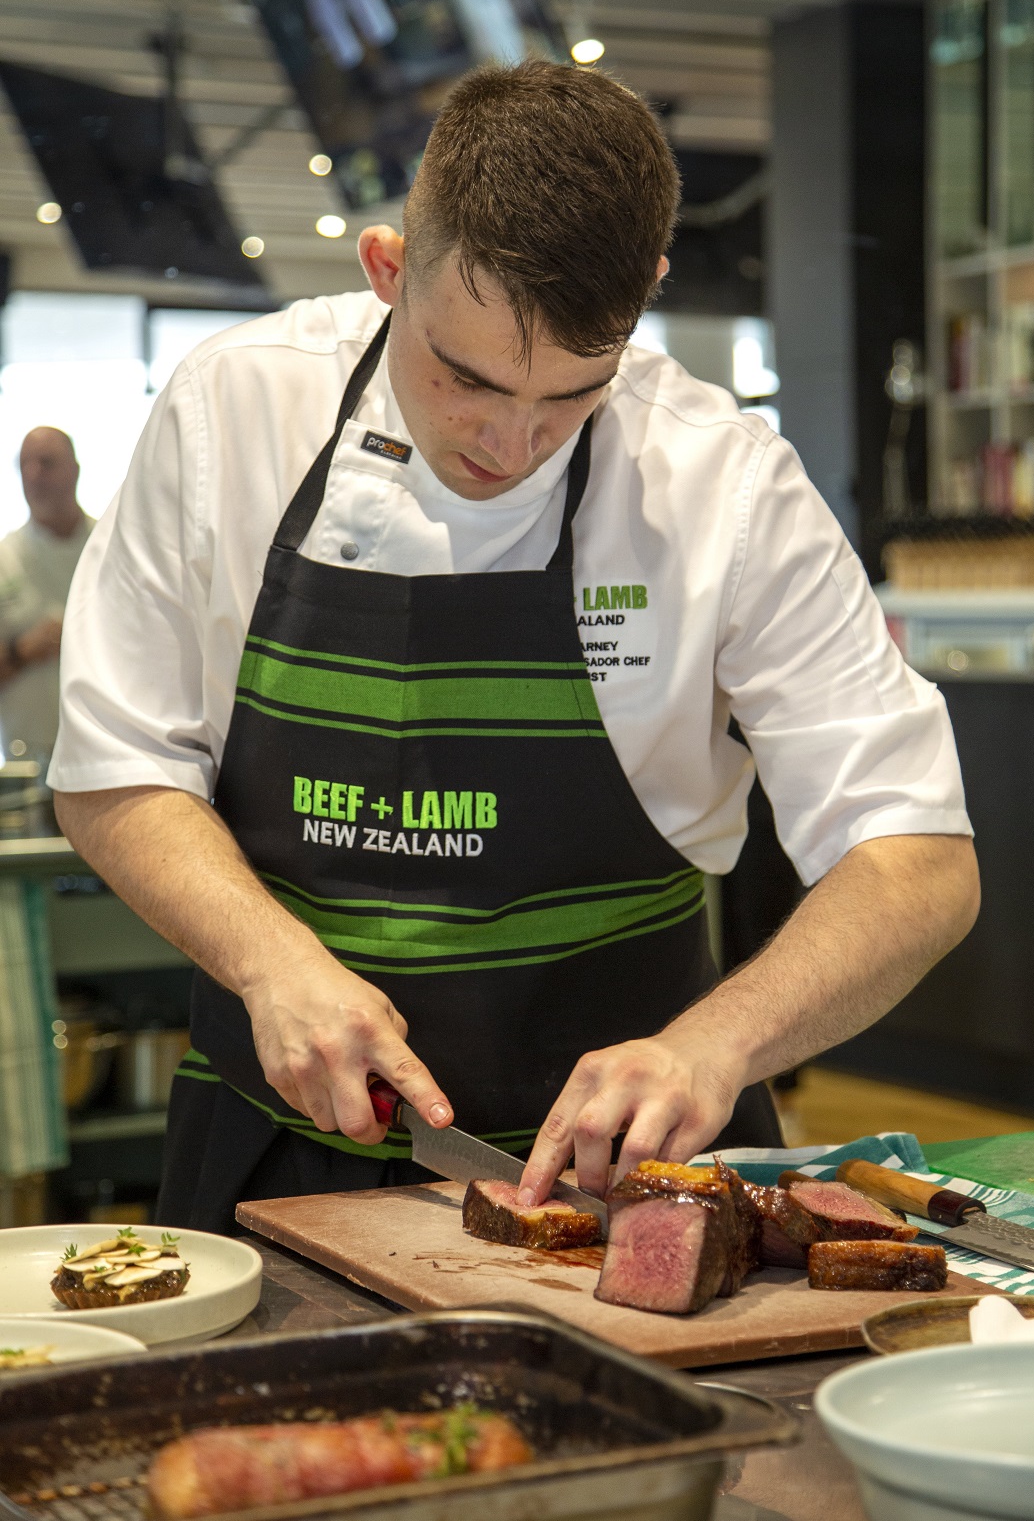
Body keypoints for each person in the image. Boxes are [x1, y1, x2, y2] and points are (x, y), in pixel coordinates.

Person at [49, 62, 979, 1234]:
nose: (512, 442)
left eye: (572, 396)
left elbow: (920, 853)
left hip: (630, 1178)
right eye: (465, 377)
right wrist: (267, 960)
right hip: (277, 1158)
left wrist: (714, 1045)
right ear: (389, 270)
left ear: (642, 301)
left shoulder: (722, 483)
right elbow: (113, 768)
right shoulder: (232, 411)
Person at [0, 426, 94, 758]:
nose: (33, 475)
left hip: (104, 754)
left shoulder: (109, 548)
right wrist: (25, 649)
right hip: (27, 761)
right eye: (24, 465)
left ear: (75, 470)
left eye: (46, 462)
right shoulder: (5, 558)